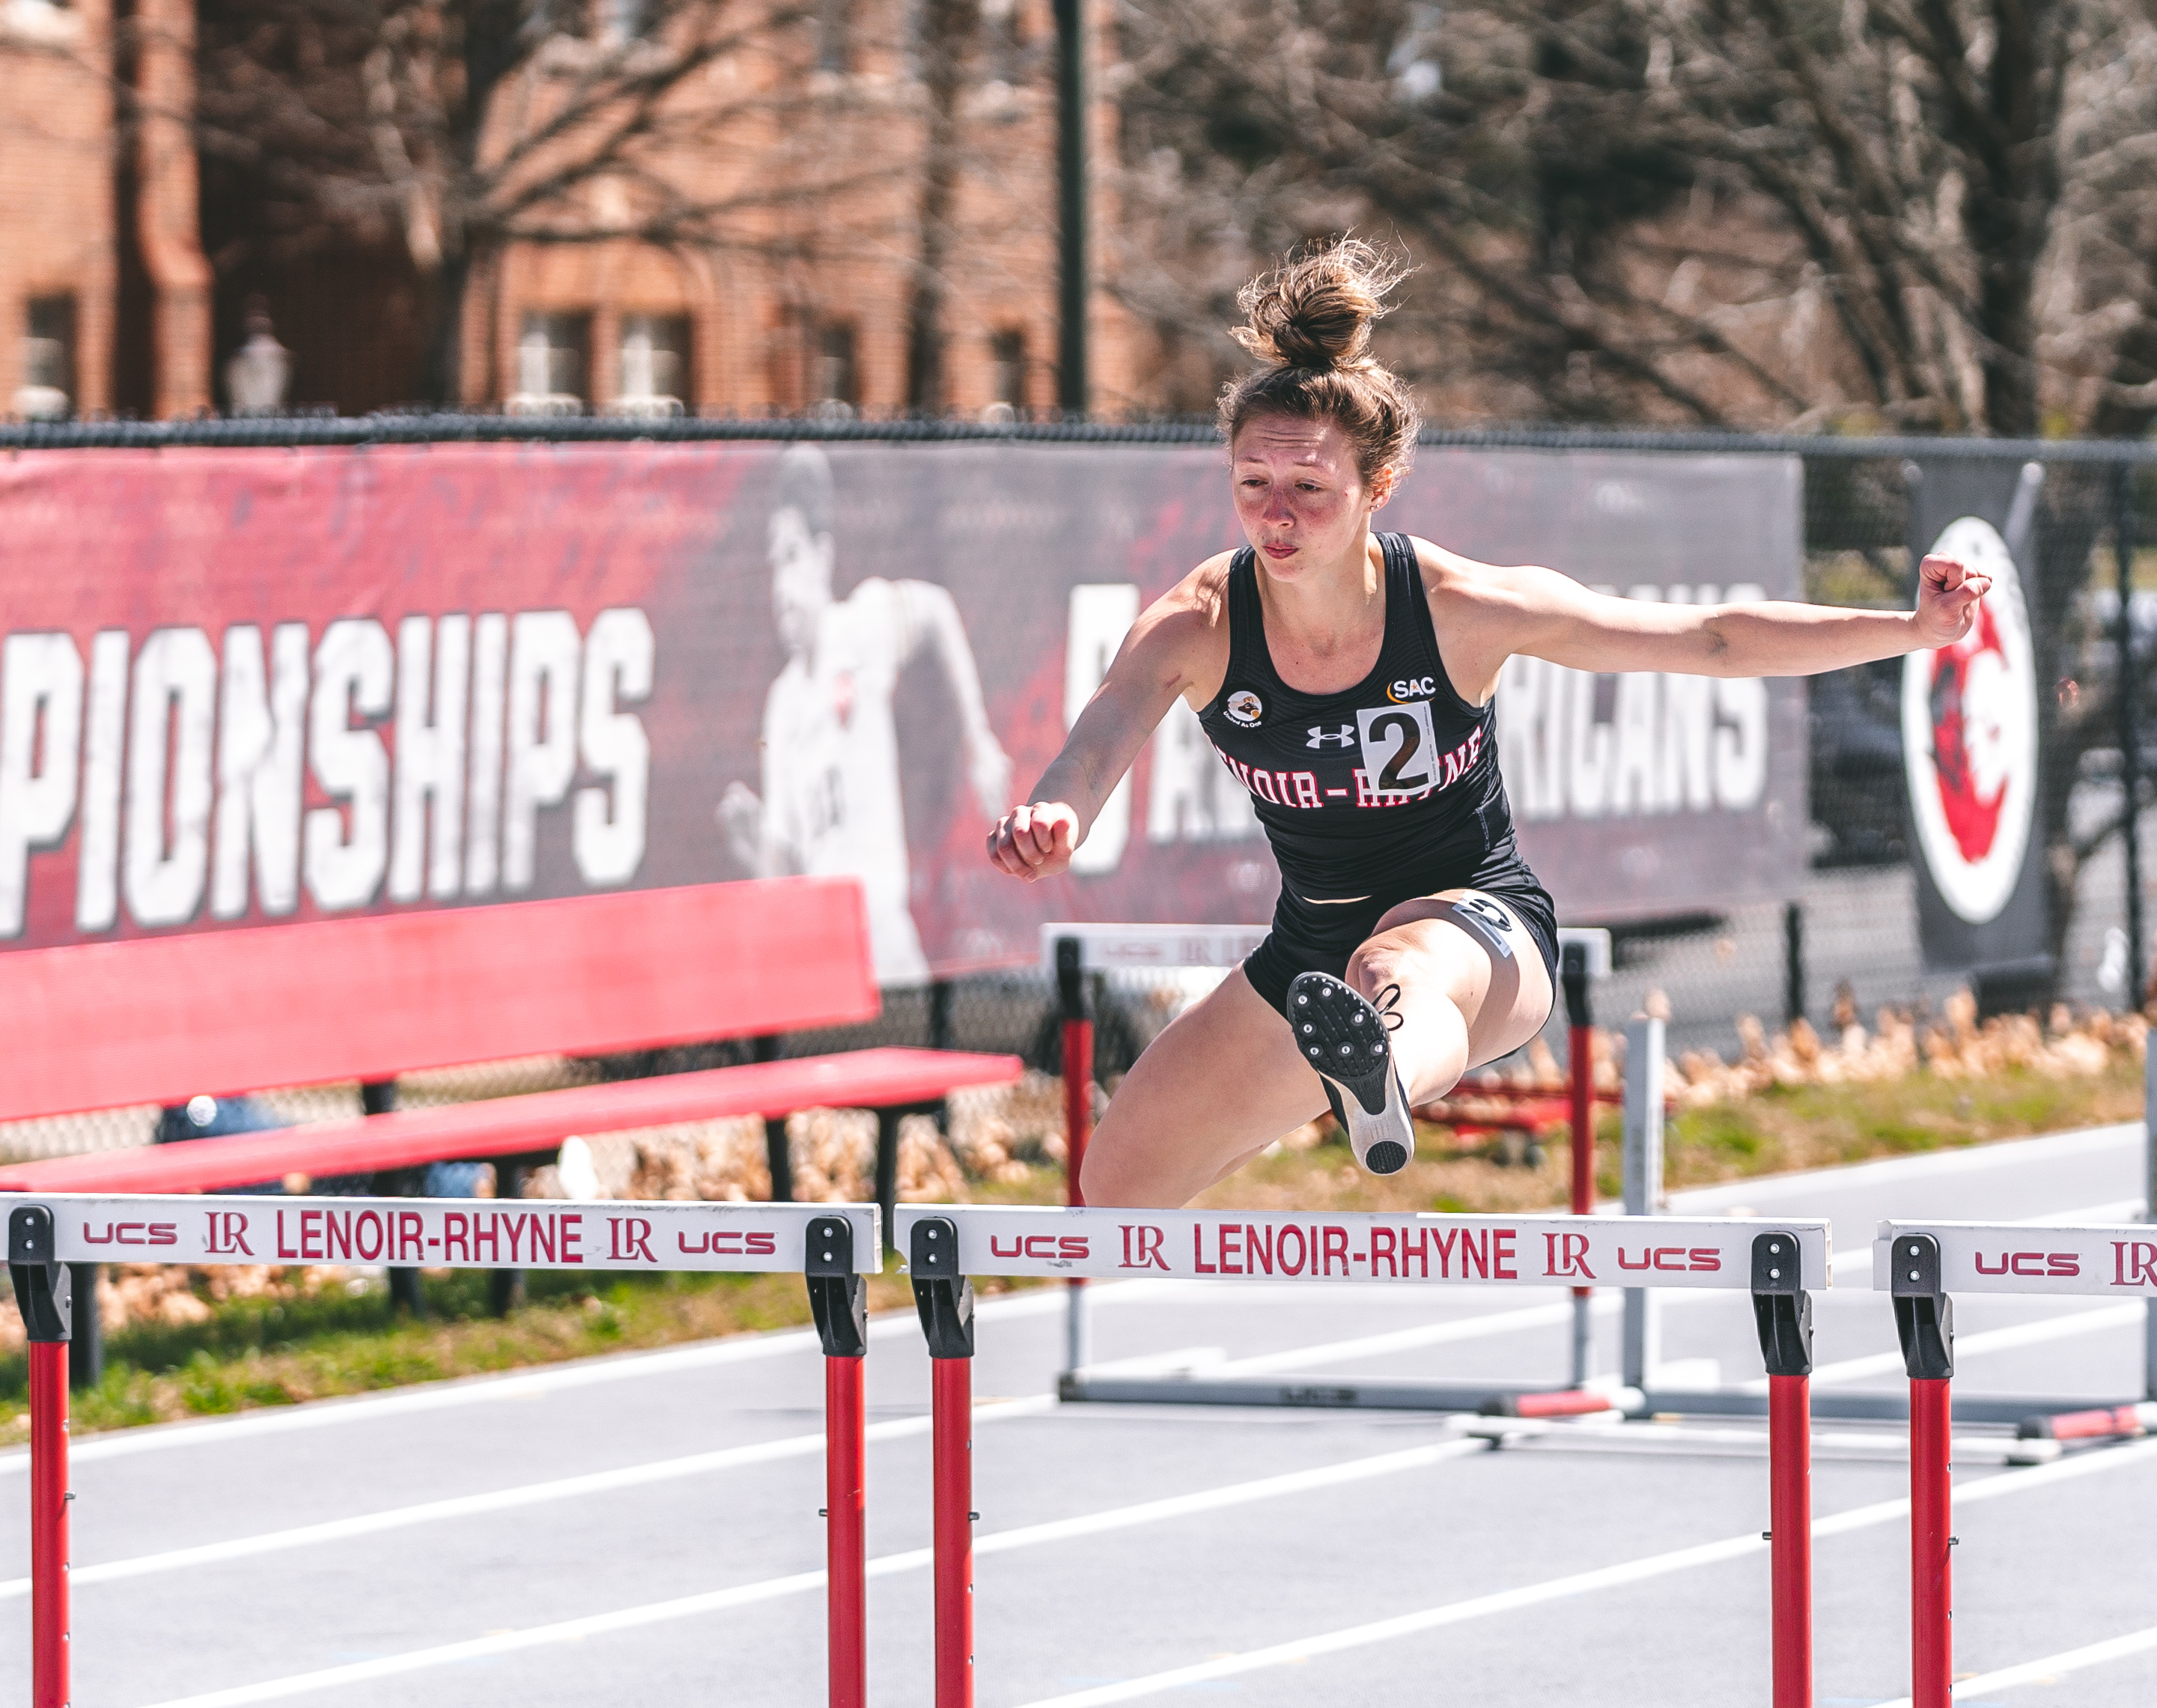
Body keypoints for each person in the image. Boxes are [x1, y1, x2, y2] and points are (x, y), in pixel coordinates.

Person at [989, 241, 1990, 1207]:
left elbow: (1708, 637)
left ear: (1377, 491)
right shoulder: (1200, 624)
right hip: (1309, 956)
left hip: (1480, 930)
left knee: (1394, 962)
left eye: (1310, 490)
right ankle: (1348, 1066)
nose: (1278, 517)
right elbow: (1100, 738)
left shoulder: (1459, 606)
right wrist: (1052, 814)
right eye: (1254, 487)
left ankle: (1379, 1074)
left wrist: (1909, 628)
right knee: (1118, 1182)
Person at [721, 444, 1015, 985]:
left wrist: (978, 740)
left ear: (821, 556)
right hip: (820, 949)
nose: (779, 584)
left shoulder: (859, 625)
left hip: (881, 932)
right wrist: (753, 845)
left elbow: (937, 612)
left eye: (791, 557)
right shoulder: (781, 705)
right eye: (772, 564)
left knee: (919, 1059)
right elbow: (782, 871)